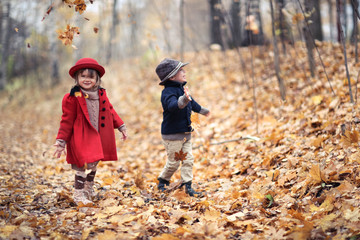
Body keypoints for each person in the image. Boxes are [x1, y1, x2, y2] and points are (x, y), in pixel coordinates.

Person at [53, 58, 127, 205]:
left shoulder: (101, 94)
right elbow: (66, 120)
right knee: (82, 165)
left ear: (97, 79)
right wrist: (61, 141)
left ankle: (88, 189)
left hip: (99, 134)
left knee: (94, 163)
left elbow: (110, 111)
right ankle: (78, 194)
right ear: (77, 78)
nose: (87, 79)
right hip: (82, 136)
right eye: (83, 76)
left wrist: (121, 126)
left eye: (91, 77)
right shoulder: (73, 97)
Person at [155, 58, 210, 197]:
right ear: (172, 76)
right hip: (172, 136)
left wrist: (203, 111)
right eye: (181, 70)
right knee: (174, 162)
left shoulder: (182, 89)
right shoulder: (167, 93)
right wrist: (184, 99)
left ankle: (188, 186)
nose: (184, 72)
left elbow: (193, 103)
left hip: (185, 134)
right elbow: (173, 106)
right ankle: (163, 181)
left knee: (188, 159)